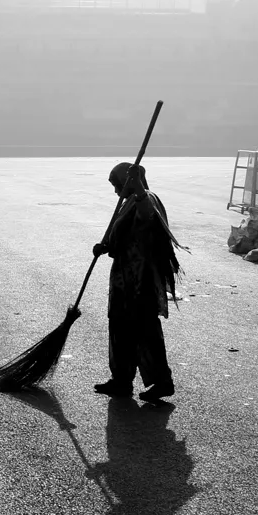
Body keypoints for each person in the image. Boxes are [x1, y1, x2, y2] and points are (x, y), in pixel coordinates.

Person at [91, 162, 184, 402]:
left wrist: (139, 188)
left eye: (117, 185)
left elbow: (147, 217)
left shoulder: (146, 199)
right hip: (124, 278)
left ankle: (162, 382)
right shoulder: (127, 203)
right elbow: (124, 236)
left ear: (129, 182)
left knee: (144, 329)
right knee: (120, 328)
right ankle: (121, 380)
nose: (115, 191)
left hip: (141, 279)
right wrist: (105, 247)